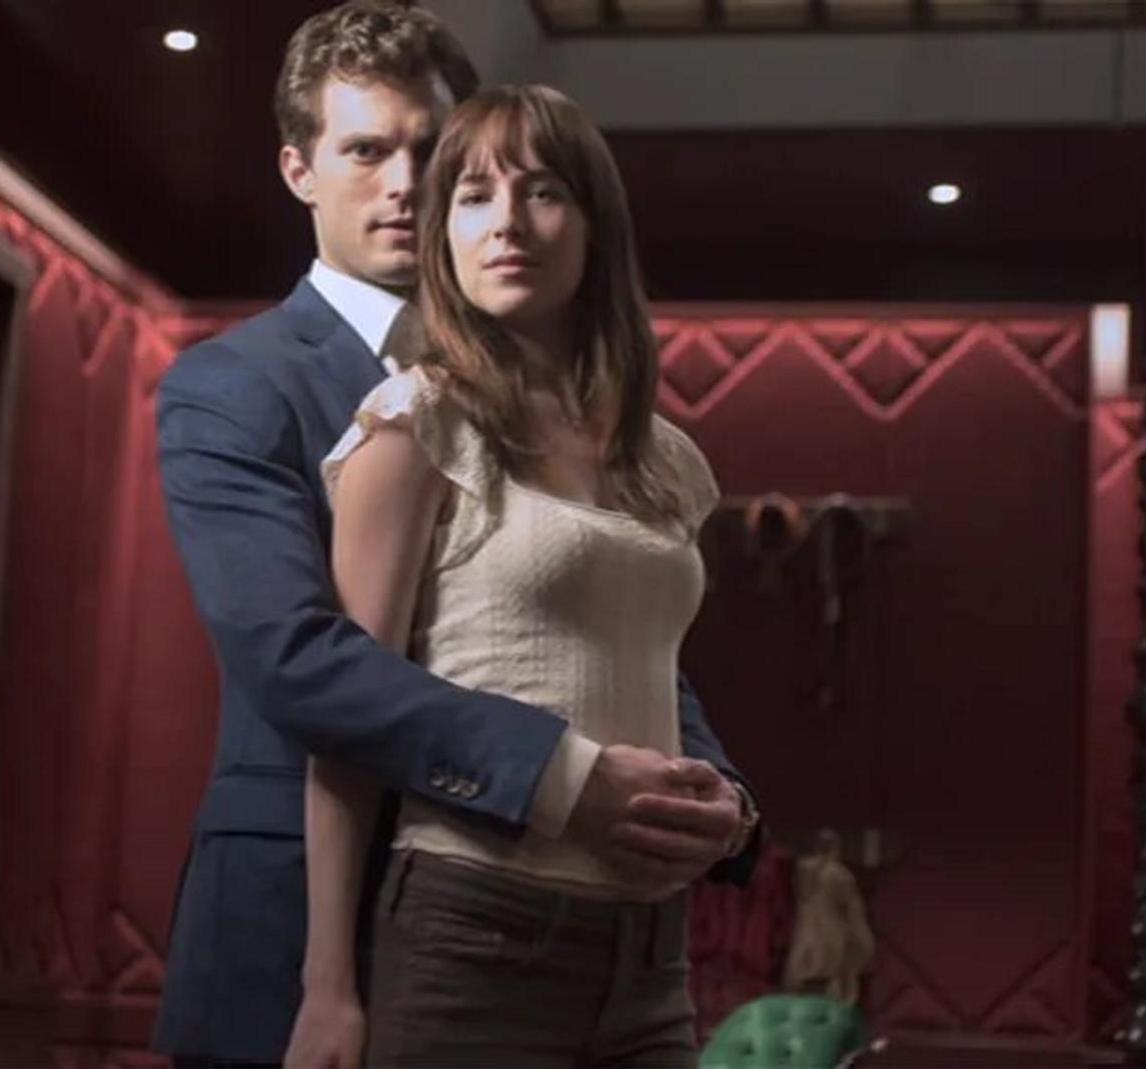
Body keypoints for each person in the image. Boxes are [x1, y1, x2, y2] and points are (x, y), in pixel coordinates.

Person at [152, 5, 759, 1064]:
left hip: (576, 930)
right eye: (365, 151)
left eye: (432, 151)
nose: (405, 183)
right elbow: (298, 658)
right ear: (299, 170)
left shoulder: (569, 402)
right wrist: (563, 777)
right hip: (300, 926)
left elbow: (595, 625)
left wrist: (706, 790)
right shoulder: (236, 384)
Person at [290, 83, 736, 1069]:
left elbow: (647, 672)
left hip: (651, 955)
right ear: (442, 232)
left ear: (594, 225)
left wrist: (721, 801)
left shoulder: (670, 462)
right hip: (473, 935)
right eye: (473, 196)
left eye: (541, 192)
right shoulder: (412, 423)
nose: (506, 223)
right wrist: (327, 986)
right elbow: (351, 719)